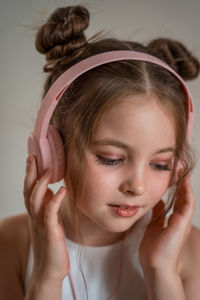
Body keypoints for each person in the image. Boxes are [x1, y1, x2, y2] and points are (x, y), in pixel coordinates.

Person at [0, 5, 200, 300]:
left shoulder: (188, 250)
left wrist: (161, 272)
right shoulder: (10, 242)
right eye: (112, 159)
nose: (138, 186)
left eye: (160, 164)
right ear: (53, 152)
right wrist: (45, 275)